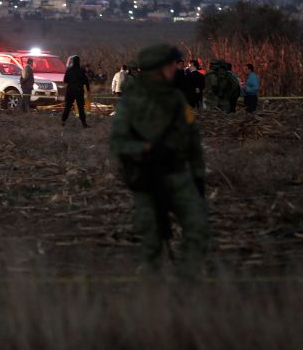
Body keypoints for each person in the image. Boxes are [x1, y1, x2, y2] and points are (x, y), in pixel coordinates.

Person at [110, 44, 208, 279]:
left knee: (196, 227)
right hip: (148, 175)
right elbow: (118, 143)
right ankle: (151, 284)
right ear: (159, 69)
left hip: (178, 174)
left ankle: (190, 277)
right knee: (151, 234)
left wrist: (198, 176)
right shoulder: (132, 102)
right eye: (171, 65)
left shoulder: (176, 99)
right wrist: (144, 149)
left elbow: (193, 140)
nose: (176, 68)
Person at [62, 55, 90, 128]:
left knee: (68, 106)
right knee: (80, 107)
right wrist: (88, 89)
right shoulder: (81, 70)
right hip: (79, 91)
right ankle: (84, 123)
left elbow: (65, 80)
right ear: (79, 61)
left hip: (70, 91)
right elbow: (86, 81)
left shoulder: (68, 69)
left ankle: (63, 121)